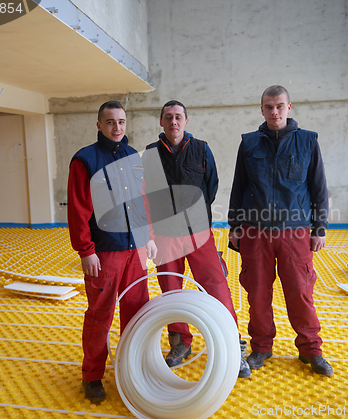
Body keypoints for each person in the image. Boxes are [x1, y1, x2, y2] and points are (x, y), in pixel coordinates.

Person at [228, 85, 334, 376]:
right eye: (268, 107)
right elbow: (238, 187)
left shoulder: (308, 141)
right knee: (257, 292)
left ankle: (311, 350)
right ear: (261, 109)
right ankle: (261, 347)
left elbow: (318, 188)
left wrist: (320, 228)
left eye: (279, 106)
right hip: (254, 231)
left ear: (289, 107)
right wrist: (234, 226)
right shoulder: (249, 144)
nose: (274, 112)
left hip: (294, 231)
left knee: (300, 292)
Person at [142, 100, 251, 378]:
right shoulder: (150, 154)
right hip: (166, 234)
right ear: (161, 122)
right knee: (171, 290)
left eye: (178, 117)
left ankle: (231, 343)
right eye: (168, 117)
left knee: (215, 285)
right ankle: (179, 343)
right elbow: (146, 196)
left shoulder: (202, 149)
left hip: (198, 231)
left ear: (186, 121)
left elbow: (211, 186)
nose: (173, 122)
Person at [67, 100, 158, 402]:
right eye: (110, 122)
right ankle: (92, 375)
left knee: (136, 314)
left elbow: (144, 200)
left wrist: (150, 237)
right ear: (99, 125)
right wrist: (85, 251)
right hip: (104, 252)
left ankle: (132, 368)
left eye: (120, 121)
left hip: (135, 250)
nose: (116, 127)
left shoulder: (133, 156)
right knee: (100, 316)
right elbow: (79, 210)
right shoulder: (85, 160)